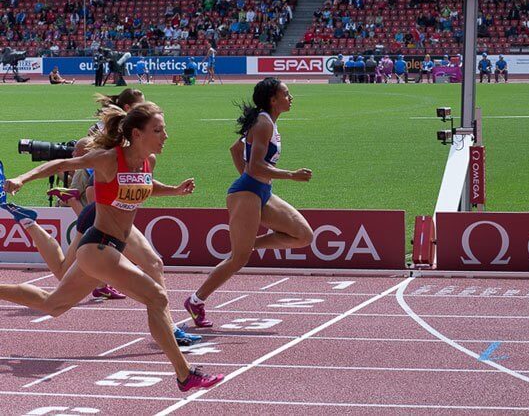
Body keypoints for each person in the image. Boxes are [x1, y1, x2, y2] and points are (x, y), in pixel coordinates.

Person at [1, 102, 222, 391]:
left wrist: (174, 190)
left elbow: (145, 184)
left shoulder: (147, 161)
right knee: (156, 298)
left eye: (164, 129)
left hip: (109, 249)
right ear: (137, 134)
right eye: (158, 130)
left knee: (52, 304)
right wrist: (22, 178)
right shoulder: (108, 160)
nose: (165, 135)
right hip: (98, 246)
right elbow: (62, 165)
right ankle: (185, 373)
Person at [184, 78, 313, 328]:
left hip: (259, 191)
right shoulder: (264, 122)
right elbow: (255, 166)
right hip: (247, 193)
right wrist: (290, 175)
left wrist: (251, 178)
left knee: (303, 235)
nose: (291, 98)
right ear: (273, 100)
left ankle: (248, 244)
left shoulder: (266, 121)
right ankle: (196, 300)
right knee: (239, 259)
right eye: (286, 94)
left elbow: (235, 149)